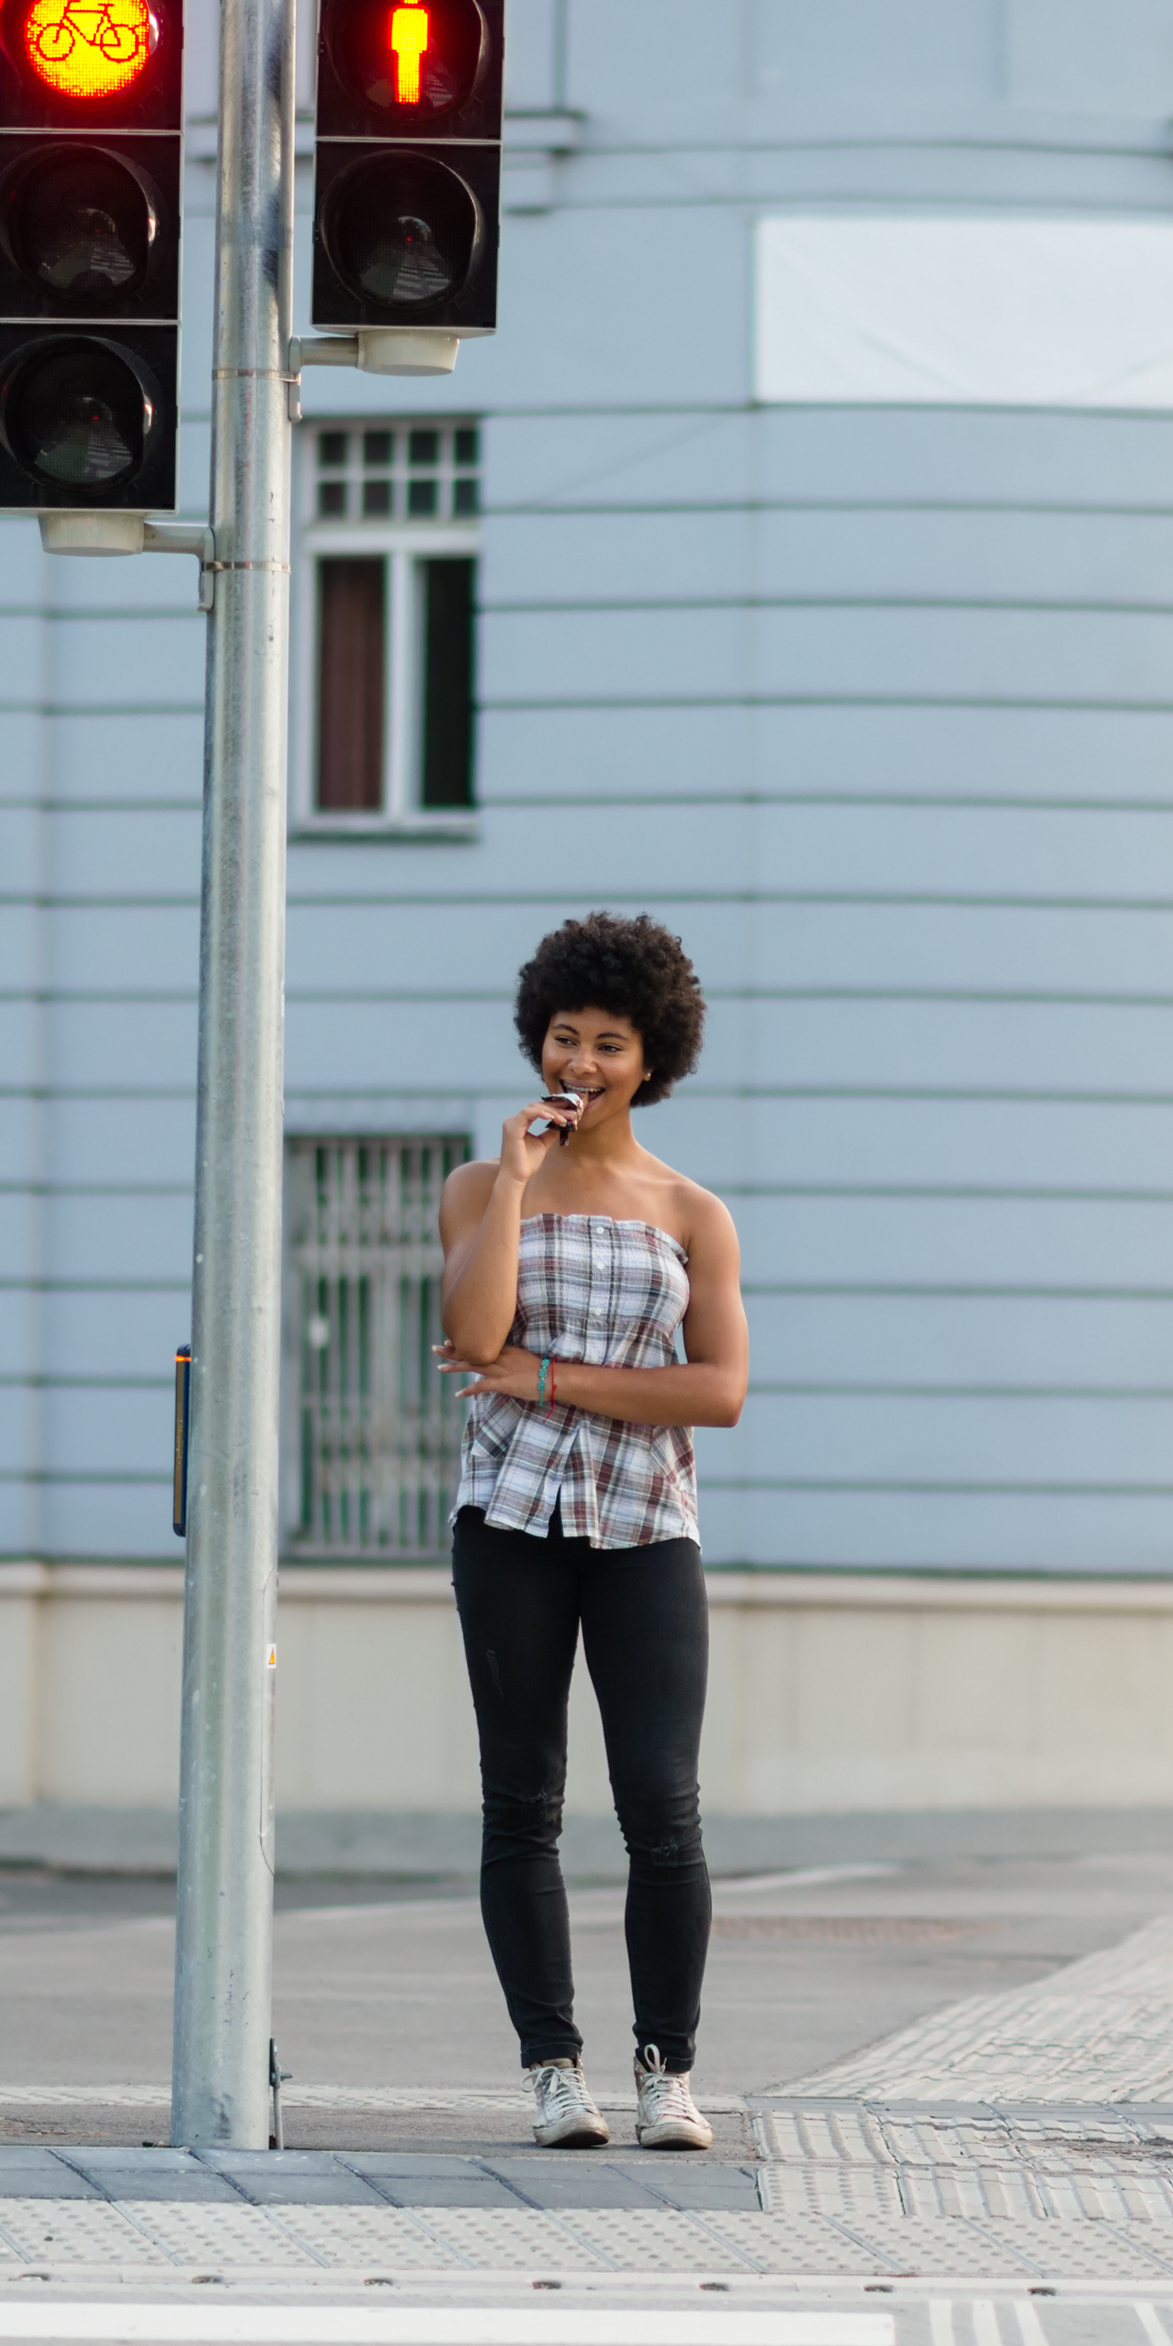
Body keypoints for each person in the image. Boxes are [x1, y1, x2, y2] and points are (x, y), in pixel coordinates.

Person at [434, 914, 749, 2152]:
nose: (578, 1063)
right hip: (509, 1523)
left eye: (608, 1044)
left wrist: (549, 1379)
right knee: (521, 1804)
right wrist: (515, 1183)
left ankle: (666, 2071)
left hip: (644, 1532)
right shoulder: (476, 1185)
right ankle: (552, 2070)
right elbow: (471, 1334)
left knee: (662, 1807)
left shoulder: (689, 1209)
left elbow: (716, 1392)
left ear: (650, 1058)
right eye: (563, 1036)